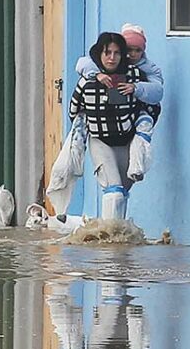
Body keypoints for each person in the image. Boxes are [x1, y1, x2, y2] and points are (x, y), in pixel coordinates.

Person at [68, 32, 160, 221]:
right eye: (107, 52)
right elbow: (74, 111)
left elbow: (154, 104)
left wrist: (137, 91)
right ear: (99, 54)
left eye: (117, 53)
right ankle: (109, 243)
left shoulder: (135, 76)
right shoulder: (87, 80)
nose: (112, 58)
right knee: (114, 192)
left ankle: (118, 245)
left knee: (122, 194)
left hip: (127, 141)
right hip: (100, 141)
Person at [75, 24, 164, 106]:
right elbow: (83, 63)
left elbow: (158, 91)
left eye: (138, 50)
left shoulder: (149, 68)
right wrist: (97, 74)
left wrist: (136, 87)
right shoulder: (109, 61)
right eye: (129, 50)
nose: (133, 54)